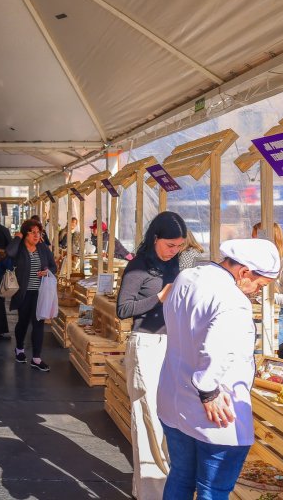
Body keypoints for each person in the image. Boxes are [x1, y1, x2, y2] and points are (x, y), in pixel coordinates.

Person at [158, 239, 280, 500]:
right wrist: (208, 391)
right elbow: (218, 350)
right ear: (244, 272)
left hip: (173, 398)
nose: (257, 292)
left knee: (180, 476)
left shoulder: (186, 277)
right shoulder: (233, 300)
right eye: (260, 285)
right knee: (213, 490)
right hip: (214, 413)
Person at [116, 211, 187, 499]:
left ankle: (154, 487)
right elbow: (123, 309)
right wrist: (159, 297)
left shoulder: (178, 264)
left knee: (169, 418)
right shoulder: (138, 266)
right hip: (145, 344)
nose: (174, 251)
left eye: (179, 246)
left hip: (173, 345)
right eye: (170, 245)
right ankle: (152, 491)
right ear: (155, 238)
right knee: (149, 418)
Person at [6, 219, 57, 372]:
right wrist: (18, 237)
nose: (36, 235)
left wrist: (47, 271)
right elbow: (9, 252)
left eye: (38, 232)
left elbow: (53, 266)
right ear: (25, 233)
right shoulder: (19, 248)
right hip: (23, 292)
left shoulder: (42, 248)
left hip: (40, 292)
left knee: (38, 322)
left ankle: (36, 358)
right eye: (32, 232)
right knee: (23, 322)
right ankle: (19, 349)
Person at [251, 222, 283, 347]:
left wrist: (265, 297)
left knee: (260, 346)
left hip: (280, 317)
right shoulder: (256, 262)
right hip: (255, 315)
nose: (253, 244)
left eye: (257, 240)